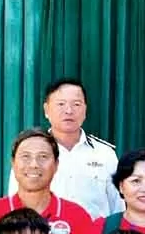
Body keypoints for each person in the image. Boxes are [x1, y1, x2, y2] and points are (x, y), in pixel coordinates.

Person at [42, 77, 123, 220]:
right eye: (60, 104)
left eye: (76, 104)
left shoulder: (104, 154)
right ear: (46, 110)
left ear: (85, 110)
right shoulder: (32, 153)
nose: (68, 110)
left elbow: (118, 206)